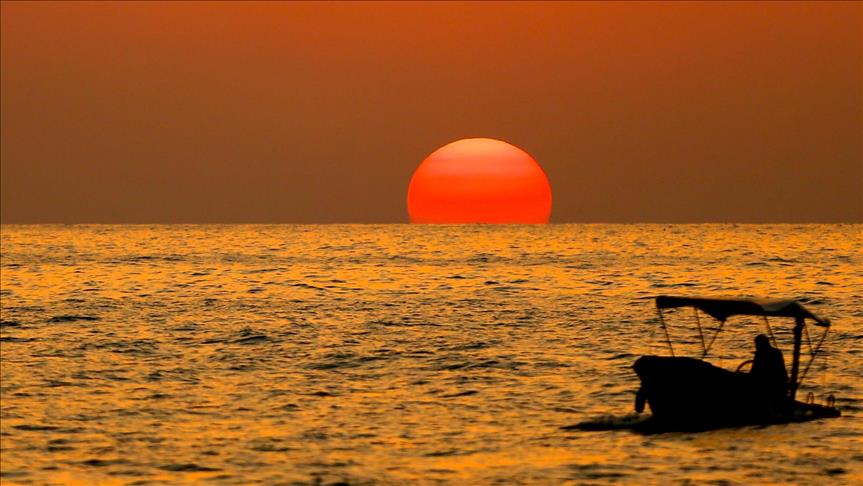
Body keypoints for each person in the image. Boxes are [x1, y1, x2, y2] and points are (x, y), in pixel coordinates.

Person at [750, 334, 789, 409]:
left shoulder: (760, 354)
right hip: (780, 384)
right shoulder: (777, 352)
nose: (756, 346)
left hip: (768, 386)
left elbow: (754, 372)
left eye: (757, 344)